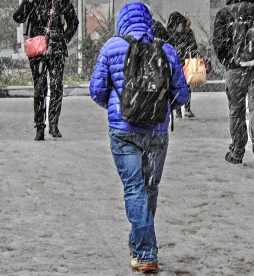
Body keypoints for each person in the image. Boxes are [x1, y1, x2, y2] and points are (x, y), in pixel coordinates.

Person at [89, 2, 188, 273]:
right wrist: (157, 106)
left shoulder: (111, 47)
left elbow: (97, 90)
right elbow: (182, 96)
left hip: (123, 132)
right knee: (149, 189)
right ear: (148, 21)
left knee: (135, 189)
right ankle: (140, 248)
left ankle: (144, 252)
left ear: (123, 21)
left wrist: (120, 106)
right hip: (156, 132)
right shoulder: (167, 50)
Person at [212, 0, 254, 170]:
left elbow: (219, 43)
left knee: (236, 111)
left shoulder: (224, 13)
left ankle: (237, 152)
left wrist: (230, 61)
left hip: (235, 70)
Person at [13, 0, 79, 140]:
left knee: (56, 86)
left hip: (57, 51)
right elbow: (18, 17)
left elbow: (74, 22)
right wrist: (29, 2)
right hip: (37, 51)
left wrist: (64, 38)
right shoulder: (35, 1)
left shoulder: (62, 1)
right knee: (39, 88)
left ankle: (53, 125)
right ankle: (40, 126)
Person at [166, 12, 198, 119]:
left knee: (175, 85)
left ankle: (178, 111)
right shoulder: (187, 31)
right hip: (185, 62)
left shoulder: (170, 32)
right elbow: (193, 47)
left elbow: (167, 46)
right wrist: (191, 56)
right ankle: (187, 109)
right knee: (187, 86)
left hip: (175, 62)